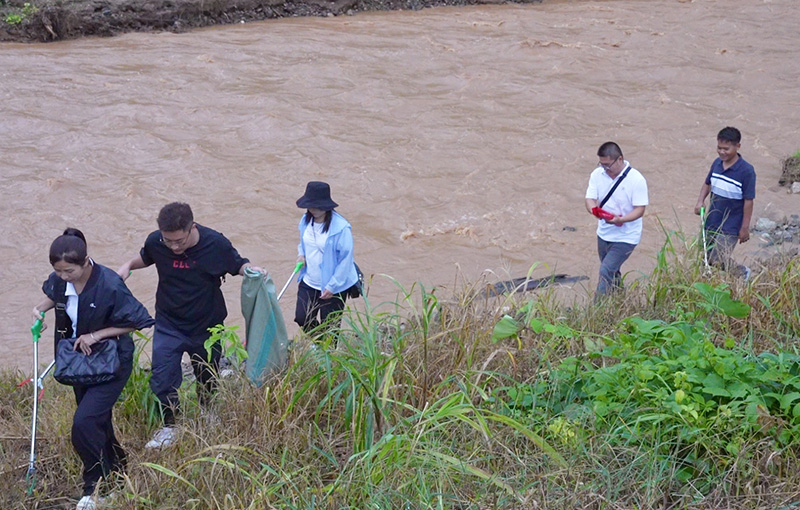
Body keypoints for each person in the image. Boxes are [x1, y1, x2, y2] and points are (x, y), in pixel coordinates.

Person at [117, 203, 262, 449]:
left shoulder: (216, 244)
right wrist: (127, 266)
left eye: (179, 242)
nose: (174, 247)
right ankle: (170, 426)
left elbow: (238, 264)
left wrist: (252, 270)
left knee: (207, 375)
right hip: (168, 322)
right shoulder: (156, 242)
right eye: (168, 241)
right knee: (162, 378)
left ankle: (208, 414)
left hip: (207, 324)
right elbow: (145, 257)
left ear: (192, 228)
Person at [32, 229, 154, 510]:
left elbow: (138, 321)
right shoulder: (60, 281)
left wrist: (96, 335)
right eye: (58, 271)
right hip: (78, 364)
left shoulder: (110, 284)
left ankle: (96, 486)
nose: (64, 276)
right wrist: (39, 310)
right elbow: (54, 296)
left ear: (86, 261)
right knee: (98, 421)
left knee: (83, 424)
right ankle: (119, 470)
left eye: (69, 271)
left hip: (111, 363)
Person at [584, 142, 649, 298]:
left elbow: (640, 209)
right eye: (601, 164)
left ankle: (596, 311)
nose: (605, 169)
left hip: (627, 236)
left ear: (620, 159)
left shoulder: (636, 179)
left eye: (608, 165)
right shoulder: (597, 174)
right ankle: (620, 299)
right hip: (604, 233)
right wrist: (595, 211)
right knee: (612, 271)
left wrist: (622, 219)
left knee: (605, 270)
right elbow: (589, 199)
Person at [294, 181, 359, 334]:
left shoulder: (341, 228)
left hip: (333, 285)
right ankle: (320, 344)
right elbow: (303, 243)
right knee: (302, 318)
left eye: (318, 206)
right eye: (310, 205)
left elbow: (346, 260)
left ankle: (328, 353)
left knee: (330, 326)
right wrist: (301, 255)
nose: (313, 210)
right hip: (309, 280)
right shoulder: (305, 221)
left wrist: (333, 285)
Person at [694, 126, 755, 279]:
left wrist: (745, 228)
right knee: (706, 257)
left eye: (726, 149)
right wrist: (700, 201)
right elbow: (707, 183)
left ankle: (741, 272)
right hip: (711, 221)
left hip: (731, 225)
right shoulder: (717, 163)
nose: (722, 152)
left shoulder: (746, 171)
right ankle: (710, 282)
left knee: (717, 258)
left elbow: (749, 201)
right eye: (719, 148)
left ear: (737, 146)